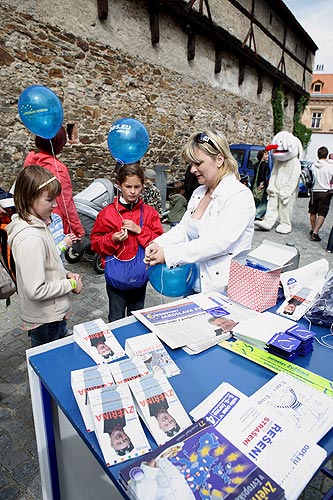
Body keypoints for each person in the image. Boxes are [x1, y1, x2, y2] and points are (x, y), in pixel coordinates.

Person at [144, 129, 255, 293]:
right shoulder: (199, 193)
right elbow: (184, 230)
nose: (192, 170)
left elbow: (218, 243)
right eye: (191, 164)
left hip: (222, 288)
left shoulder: (239, 196)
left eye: (198, 163)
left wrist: (169, 254)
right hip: (192, 282)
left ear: (219, 159)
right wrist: (158, 243)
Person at [6, 165, 83, 347]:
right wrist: (71, 284)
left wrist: (65, 274)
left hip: (50, 315)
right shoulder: (31, 238)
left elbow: (48, 265)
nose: (55, 205)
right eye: (49, 200)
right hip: (45, 319)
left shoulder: (38, 224)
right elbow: (36, 289)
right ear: (30, 198)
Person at [90, 163, 163, 322]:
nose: (132, 191)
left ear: (143, 185)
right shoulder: (108, 213)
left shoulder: (149, 213)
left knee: (136, 318)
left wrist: (140, 231)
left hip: (139, 277)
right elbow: (95, 242)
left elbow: (160, 243)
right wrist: (112, 239)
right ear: (119, 185)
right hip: (116, 279)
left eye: (137, 186)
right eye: (128, 186)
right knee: (116, 318)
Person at [23, 126, 85, 239]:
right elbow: (66, 202)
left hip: (31, 216)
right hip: (53, 220)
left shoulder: (31, 162)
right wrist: (77, 227)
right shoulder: (57, 169)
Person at [308, 146, 333, 242]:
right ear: (326, 155)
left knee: (312, 211)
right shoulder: (329, 166)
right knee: (322, 213)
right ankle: (315, 232)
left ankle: (313, 229)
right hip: (325, 191)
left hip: (314, 191)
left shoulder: (313, 166)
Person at [252, 149, 270, 220]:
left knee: (256, 200)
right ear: (262, 156)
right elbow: (263, 176)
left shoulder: (256, 164)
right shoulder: (264, 164)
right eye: (265, 154)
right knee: (263, 202)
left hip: (255, 185)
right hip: (261, 186)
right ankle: (257, 215)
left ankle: (253, 213)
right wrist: (262, 184)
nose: (267, 156)